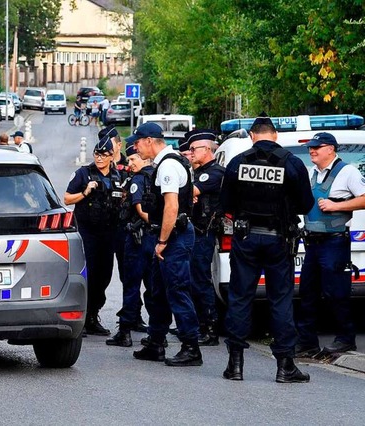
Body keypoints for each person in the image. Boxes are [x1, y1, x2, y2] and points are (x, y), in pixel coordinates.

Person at [220, 113, 314, 383]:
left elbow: (225, 204)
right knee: (281, 299)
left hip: (246, 239)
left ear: (252, 136)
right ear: (275, 136)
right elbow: (306, 205)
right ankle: (285, 366)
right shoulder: (292, 164)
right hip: (279, 239)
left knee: (240, 297)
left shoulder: (238, 162)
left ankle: (235, 364)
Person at [125, 122, 202, 367]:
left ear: (149, 140)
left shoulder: (168, 164)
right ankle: (155, 343)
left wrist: (162, 241)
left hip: (173, 236)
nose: (135, 147)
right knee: (157, 292)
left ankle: (191, 348)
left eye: (137, 142)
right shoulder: (170, 161)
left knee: (177, 290)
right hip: (169, 233)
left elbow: (171, 206)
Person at [295, 132, 365, 357]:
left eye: (317, 147)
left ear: (331, 149)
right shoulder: (312, 173)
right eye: (310, 148)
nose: (312, 151)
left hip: (334, 242)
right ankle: (307, 343)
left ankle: (346, 339)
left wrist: (337, 207)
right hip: (313, 243)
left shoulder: (347, 172)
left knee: (336, 293)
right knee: (307, 293)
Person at [64, 136, 123, 335]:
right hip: (87, 232)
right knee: (86, 275)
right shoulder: (83, 174)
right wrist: (85, 193)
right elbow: (67, 198)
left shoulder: (117, 176)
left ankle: (93, 315)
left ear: (111, 156)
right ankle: (82, 318)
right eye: (97, 154)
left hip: (108, 233)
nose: (99, 158)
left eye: (103, 155)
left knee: (103, 275)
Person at [107, 141, 153, 346]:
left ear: (145, 159)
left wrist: (154, 222)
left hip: (138, 239)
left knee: (132, 286)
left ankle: (125, 332)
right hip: (153, 238)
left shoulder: (139, 180)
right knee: (153, 288)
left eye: (134, 159)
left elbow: (140, 209)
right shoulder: (156, 175)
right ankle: (156, 334)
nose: (130, 163)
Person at [184, 129, 225, 346]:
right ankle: (199, 324)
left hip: (204, 233)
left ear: (207, 150)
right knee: (192, 280)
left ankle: (209, 328)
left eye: (193, 149)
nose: (190, 153)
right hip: (196, 232)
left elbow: (190, 192)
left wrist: (190, 195)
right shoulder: (200, 172)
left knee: (200, 280)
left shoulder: (214, 172)